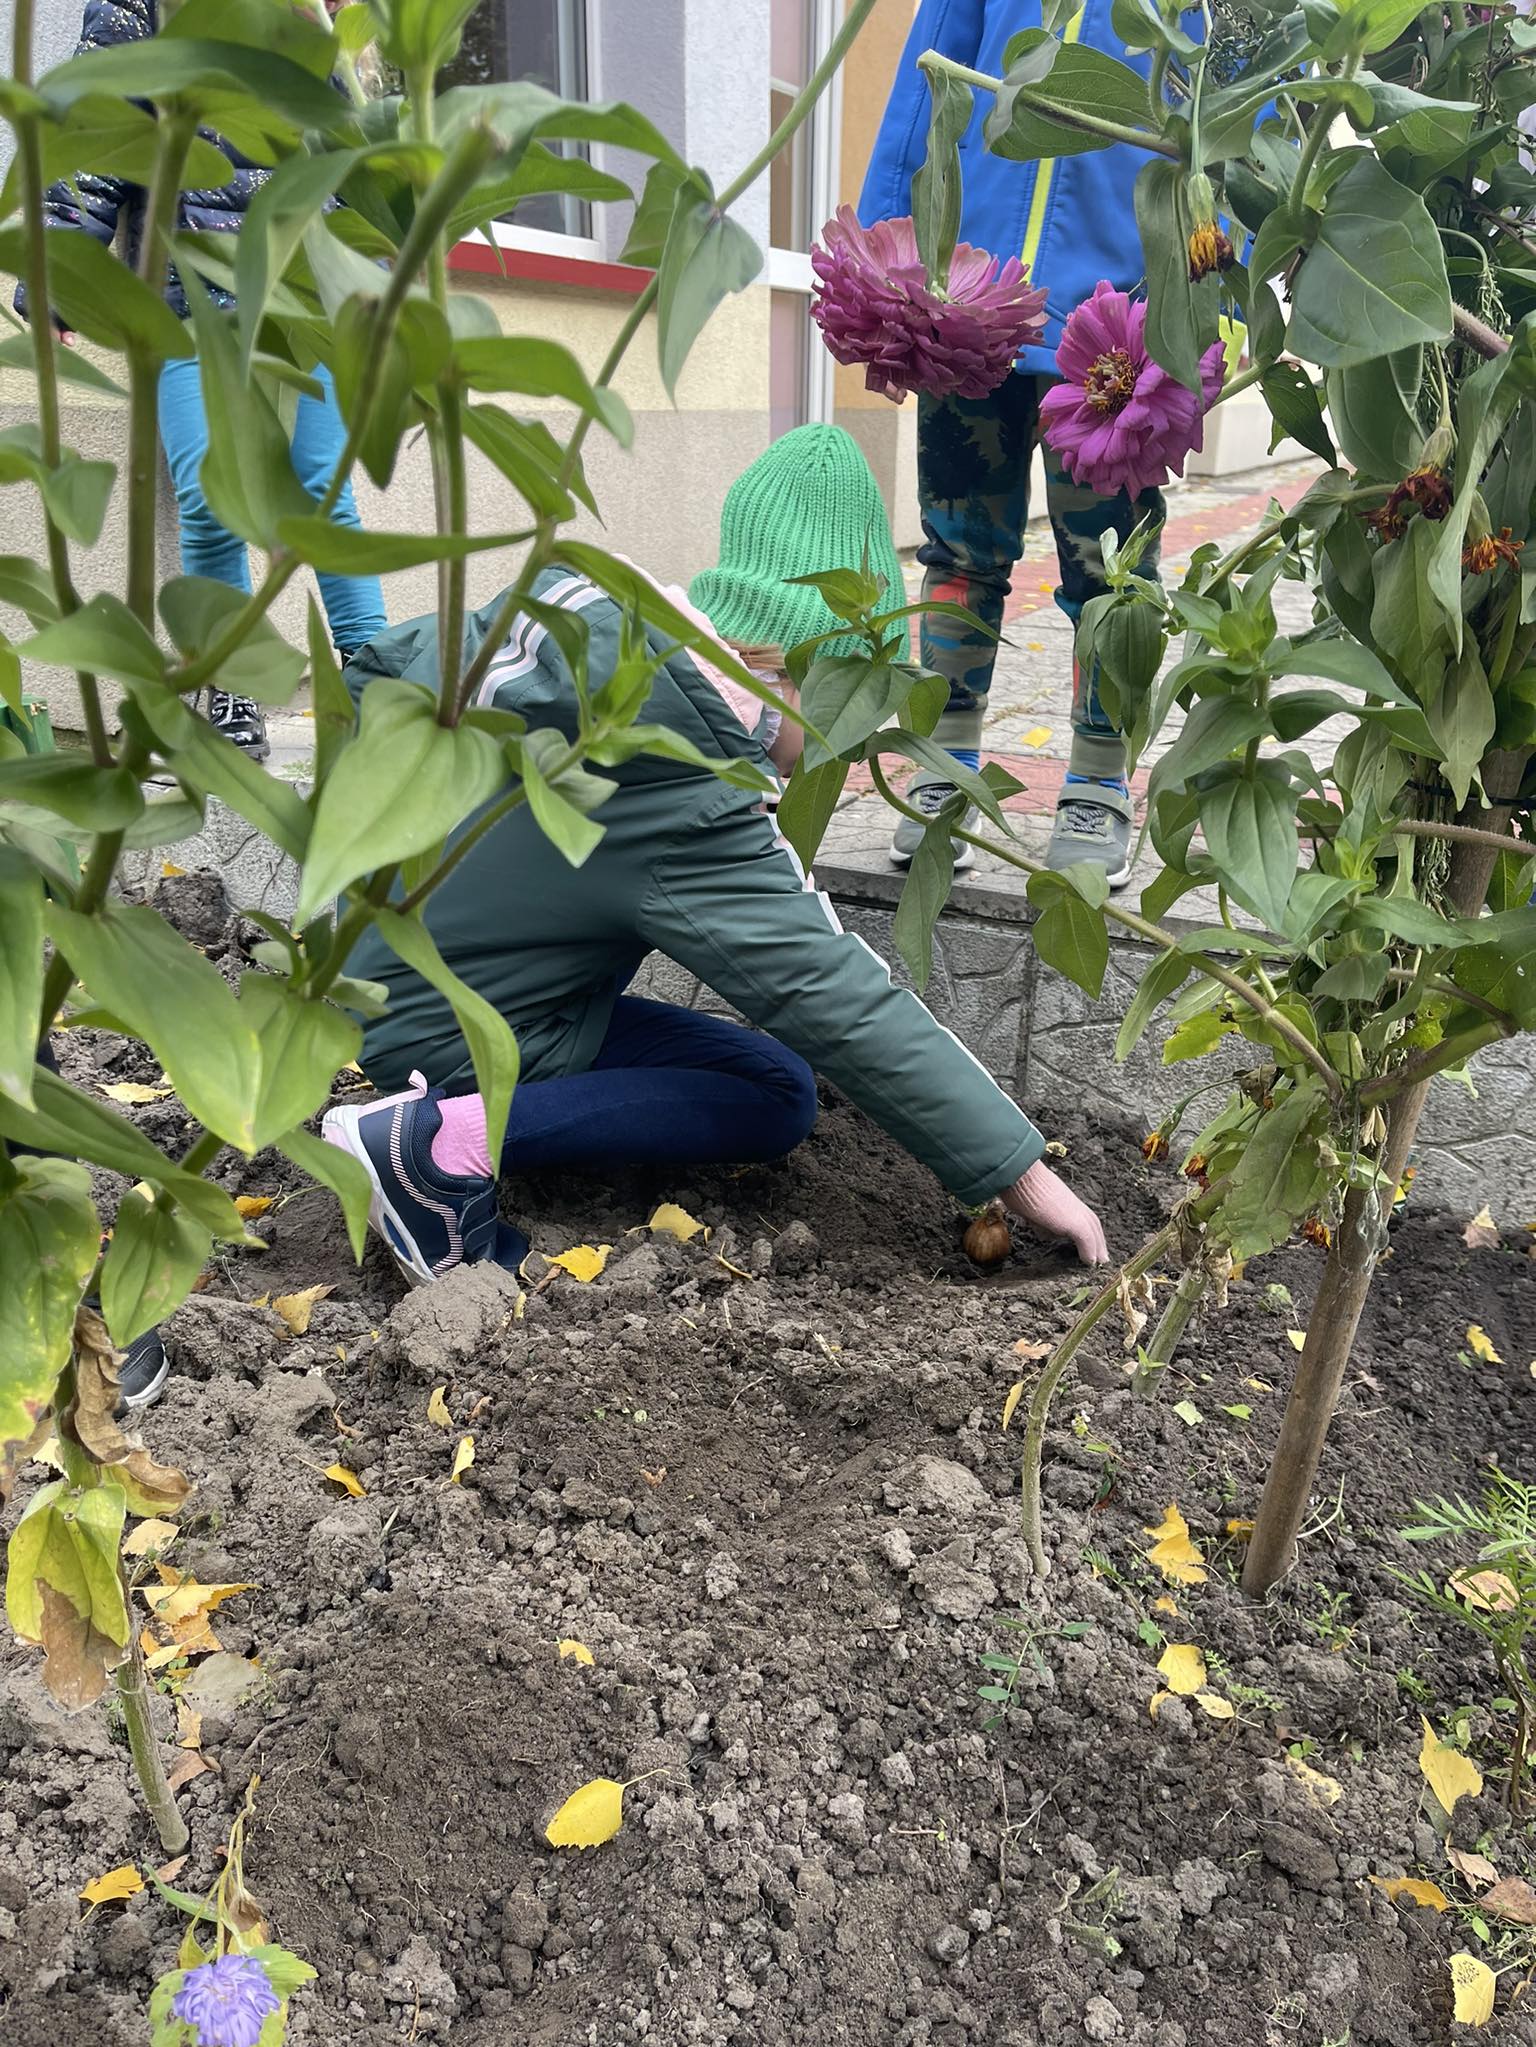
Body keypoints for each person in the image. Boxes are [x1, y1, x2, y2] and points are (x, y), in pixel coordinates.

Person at [322, 426, 1108, 1284]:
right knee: (776, 1097)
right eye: (851, 708)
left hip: (395, 984)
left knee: (762, 1069)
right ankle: (435, 1147)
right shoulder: (680, 771)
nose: (846, 747)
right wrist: (1019, 1172)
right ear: (817, 675)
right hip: (452, 1034)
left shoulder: (608, 655)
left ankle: (440, 1119)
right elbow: (827, 990)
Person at [17, 0, 387, 762]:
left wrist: (381, 289)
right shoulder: (151, 6)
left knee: (323, 488)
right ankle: (229, 683)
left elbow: (362, 166)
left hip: (311, 288)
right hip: (189, 289)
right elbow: (98, 121)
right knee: (208, 492)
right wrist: (57, 271)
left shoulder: (329, 17)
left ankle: (378, 676)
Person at [860, 0, 1168, 889]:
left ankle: (1099, 780)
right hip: (969, 297)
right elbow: (929, 70)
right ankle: (944, 764)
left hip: (1120, 316)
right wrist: (887, 240)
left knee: (1114, 573)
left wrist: (1224, 268)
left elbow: (1237, 105)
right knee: (958, 551)